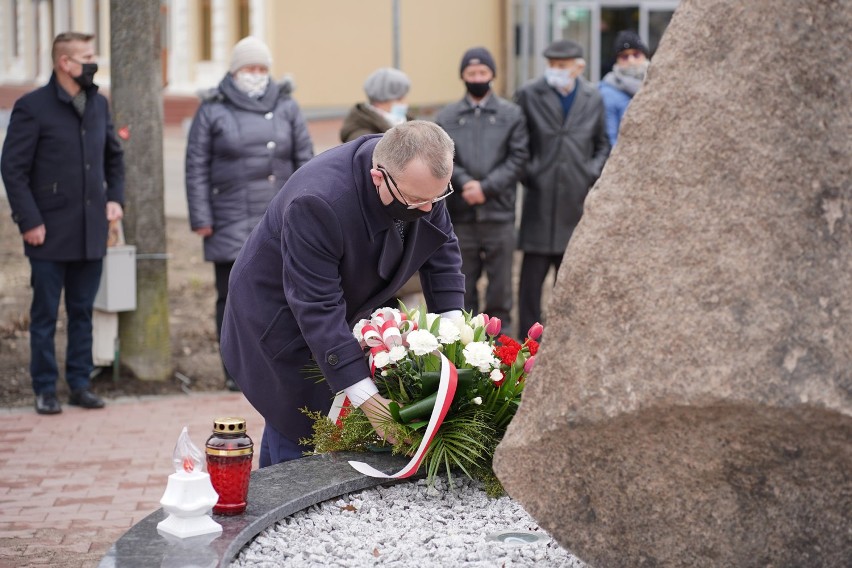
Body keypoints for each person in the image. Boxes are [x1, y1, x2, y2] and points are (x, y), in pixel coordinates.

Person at [220, 121, 464, 467]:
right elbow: (317, 307)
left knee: (319, 418)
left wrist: (457, 335)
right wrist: (366, 398)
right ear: (379, 177)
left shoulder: (418, 179)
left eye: (436, 198)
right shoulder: (318, 201)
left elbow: (441, 251)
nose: (428, 210)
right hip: (279, 319)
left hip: (341, 303)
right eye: (416, 201)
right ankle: (283, 497)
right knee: (301, 421)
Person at [1, 32, 125, 415]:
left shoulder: (98, 104)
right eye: (86, 56)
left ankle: (79, 383)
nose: (93, 62)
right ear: (64, 63)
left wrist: (115, 200)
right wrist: (29, 221)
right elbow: (13, 168)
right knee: (44, 314)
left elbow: (114, 159)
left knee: (82, 311)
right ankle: (44, 388)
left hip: (90, 230)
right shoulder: (32, 107)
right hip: (47, 233)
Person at [185, 36, 314, 392]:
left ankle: (280, 365)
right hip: (229, 218)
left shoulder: (287, 106)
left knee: (285, 294)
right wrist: (201, 217)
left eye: (262, 68)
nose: (256, 75)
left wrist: (309, 211)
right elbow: (196, 166)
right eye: (249, 68)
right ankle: (233, 369)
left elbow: (306, 162)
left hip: (281, 218)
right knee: (231, 297)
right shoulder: (213, 109)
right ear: (235, 70)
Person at [514, 39, 610, 336]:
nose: (555, 71)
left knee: (570, 276)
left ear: (578, 67)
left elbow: (602, 143)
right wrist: (531, 173)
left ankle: (564, 335)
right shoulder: (530, 94)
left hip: (575, 199)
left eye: (562, 66)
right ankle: (527, 337)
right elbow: (519, 141)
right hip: (540, 198)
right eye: (552, 65)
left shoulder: (592, 97)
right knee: (531, 278)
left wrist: (588, 173)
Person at [435, 47, 528, 327]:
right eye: (471, 72)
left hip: (499, 215)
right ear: (462, 76)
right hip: (461, 216)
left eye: (483, 72)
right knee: (462, 291)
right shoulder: (447, 116)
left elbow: (518, 158)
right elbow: (441, 156)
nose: (477, 77)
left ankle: (503, 354)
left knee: (501, 292)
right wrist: (464, 182)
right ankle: (465, 352)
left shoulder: (511, 114)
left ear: (492, 75)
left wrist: (486, 188)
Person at [599, 30, 650, 146]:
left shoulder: (656, 84)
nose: (631, 60)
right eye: (624, 56)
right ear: (616, 60)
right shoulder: (607, 92)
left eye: (636, 54)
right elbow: (609, 137)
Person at [340, 67, 411, 143]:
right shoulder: (363, 138)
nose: (405, 103)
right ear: (380, 101)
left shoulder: (406, 123)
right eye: (399, 99)